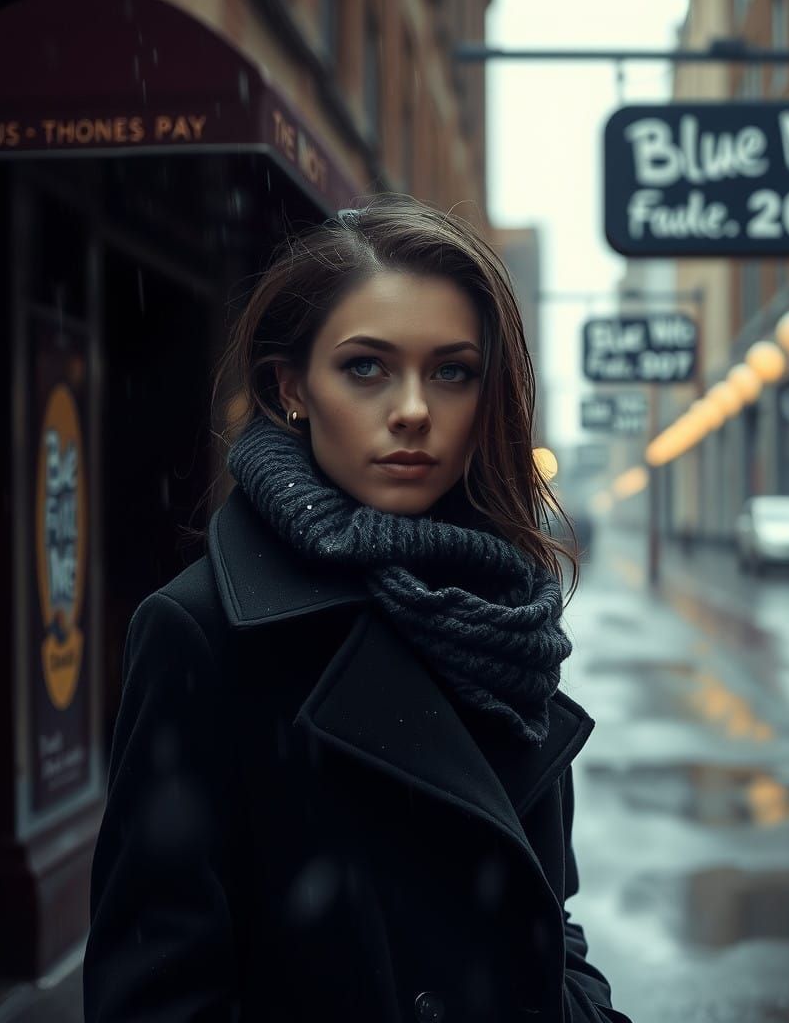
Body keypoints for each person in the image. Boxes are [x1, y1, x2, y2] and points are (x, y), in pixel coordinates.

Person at [83, 193, 633, 1023]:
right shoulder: (201, 633)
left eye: (452, 371)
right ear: (292, 387)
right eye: (367, 366)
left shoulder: (503, 613)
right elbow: (156, 994)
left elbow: (545, 912)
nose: (413, 409)